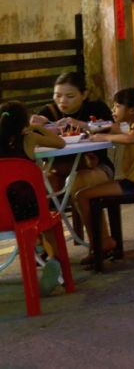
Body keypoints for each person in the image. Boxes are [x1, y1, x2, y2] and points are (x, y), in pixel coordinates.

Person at [73, 88, 134, 266]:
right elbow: (117, 129)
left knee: (81, 195)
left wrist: (102, 137)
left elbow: (130, 138)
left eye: (117, 106)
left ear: (132, 110)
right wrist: (91, 128)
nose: (113, 110)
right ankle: (100, 243)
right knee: (85, 193)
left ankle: (99, 244)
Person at [0, 101, 67, 295]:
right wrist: (36, 127)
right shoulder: (29, 139)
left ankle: (36, 247)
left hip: (2, 215)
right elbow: (60, 143)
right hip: (30, 214)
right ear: (24, 124)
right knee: (46, 218)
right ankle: (53, 259)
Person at [36, 71, 115, 197]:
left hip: (96, 165)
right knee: (41, 182)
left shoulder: (96, 108)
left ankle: (90, 216)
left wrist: (83, 124)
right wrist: (34, 126)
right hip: (57, 167)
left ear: (84, 94)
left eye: (70, 96)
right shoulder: (48, 112)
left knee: (78, 183)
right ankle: (53, 217)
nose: (62, 101)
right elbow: (34, 142)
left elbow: (113, 129)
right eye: (58, 95)